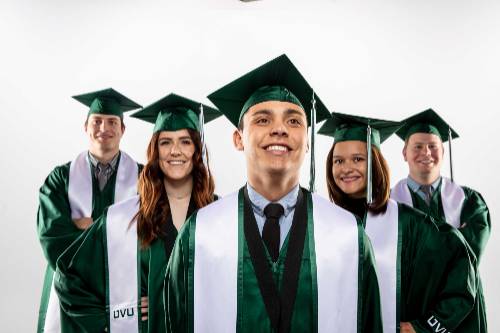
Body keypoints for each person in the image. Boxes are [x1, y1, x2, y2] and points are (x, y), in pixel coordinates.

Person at [165, 54, 383, 333]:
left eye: (294, 122)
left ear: (307, 142)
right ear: (238, 139)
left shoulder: (347, 234)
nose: (279, 129)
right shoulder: (200, 233)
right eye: (263, 119)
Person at [54, 93, 220, 333]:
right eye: (165, 142)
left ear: (197, 150)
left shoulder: (220, 215)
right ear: (155, 151)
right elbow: (69, 276)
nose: (175, 151)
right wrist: (111, 317)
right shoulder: (123, 219)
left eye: (185, 141)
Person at [319, 112, 477, 333]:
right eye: (338, 161)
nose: (346, 168)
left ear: (376, 164)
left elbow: (460, 272)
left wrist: (424, 328)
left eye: (358, 159)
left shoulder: (411, 225)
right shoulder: (322, 223)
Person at [37, 88, 142, 333]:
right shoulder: (59, 180)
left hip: (128, 295)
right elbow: (54, 240)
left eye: (112, 122)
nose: (103, 128)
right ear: (86, 126)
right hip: (69, 294)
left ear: (122, 130)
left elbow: (153, 239)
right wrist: (115, 237)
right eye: (97, 121)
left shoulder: (146, 179)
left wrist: (87, 228)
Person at [391, 108, 490, 332]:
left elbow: (467, 259)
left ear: (442, 152)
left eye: (433, 146)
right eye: (417, 146)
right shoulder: (388, 204)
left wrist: (419, 257)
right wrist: (453, 241)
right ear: (404, 153)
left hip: (462, 311)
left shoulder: (470, 202)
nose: (426, 152)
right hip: (411, 313)